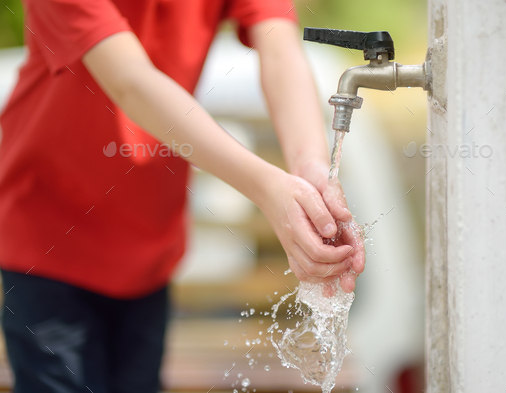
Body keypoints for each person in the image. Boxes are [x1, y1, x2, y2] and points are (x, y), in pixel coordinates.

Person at [0, 0, 365, 391]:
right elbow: (131, 81)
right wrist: (268, 189)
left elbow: (279, 45)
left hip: (147, 242)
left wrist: (309, 167)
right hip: (49, 238)